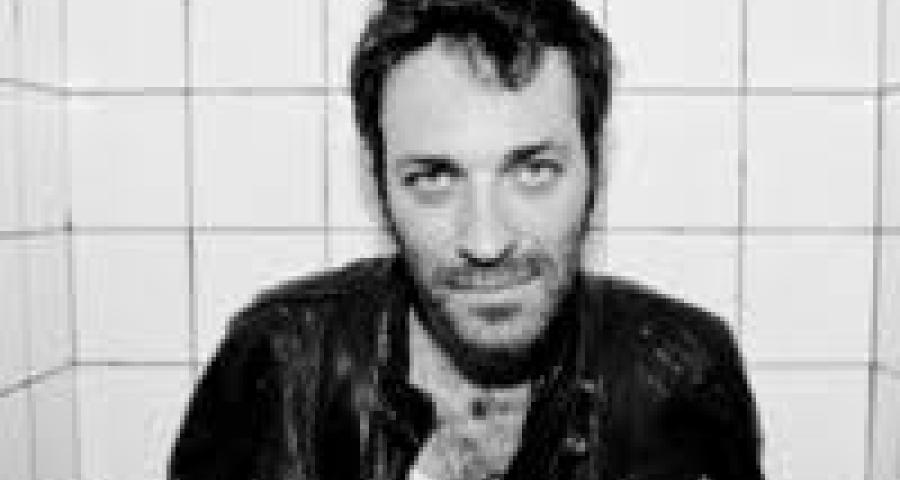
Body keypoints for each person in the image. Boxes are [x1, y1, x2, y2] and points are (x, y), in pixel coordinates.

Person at [168, 1, 765, 479]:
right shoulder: (280, 363)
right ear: (379, 184)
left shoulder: (682, 373)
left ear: (595, 170)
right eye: (434, 177)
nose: (485, 241)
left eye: (534, 170)